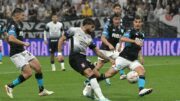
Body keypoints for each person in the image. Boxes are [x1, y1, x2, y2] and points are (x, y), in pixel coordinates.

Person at [57, 18, 114, 101]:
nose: (93, 29)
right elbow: (61, 39)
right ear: (86, 25)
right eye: (92, 27)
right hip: (75, 57)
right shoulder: (74, 30)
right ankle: (102, 98)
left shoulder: (89, 38)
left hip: (83, 58)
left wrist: (109, 59)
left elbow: (97, 51)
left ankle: (89, 93)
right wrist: (59, 53)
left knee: (98, 76)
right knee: (90, 74)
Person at [5, 8, 54, 99]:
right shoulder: (12, 24)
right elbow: (11, 38)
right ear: (17, 15)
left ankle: (41, 90)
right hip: (16, 54)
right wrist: (23, 43)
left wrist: (16, 44)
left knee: (38, 68)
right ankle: (10, 86)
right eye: (22, 15)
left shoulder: (18, 24)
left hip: (22, 51)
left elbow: (8, 38)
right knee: (28, 73)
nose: (24, 17)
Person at [102, 15, 153, 96]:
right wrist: (134, 41)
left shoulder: (142, 34)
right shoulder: (130, 31)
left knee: (142, 71)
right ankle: (92, 82)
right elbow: (122, 38)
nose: (138, 24)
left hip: (133, 60)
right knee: (109, 74)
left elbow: (139, 46)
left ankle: (141, 90)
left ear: (142, 23)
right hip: (123, 58)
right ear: (133, 23)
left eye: (139, 22)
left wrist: (141, 56)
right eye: (136, 22)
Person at [94, 13, 125, 85]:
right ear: (113, 20)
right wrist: (109, 44)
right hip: (104, 49)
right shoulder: (109, 27)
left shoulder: (122, 28)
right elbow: (102, 38)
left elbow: (121, 38)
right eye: (115, 19)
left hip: (113, 51)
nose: (117, 21)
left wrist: (120, 46)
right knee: (98, 67)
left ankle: (107, 76)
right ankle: (89, 79)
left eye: (118, 19)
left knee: (121, 60)